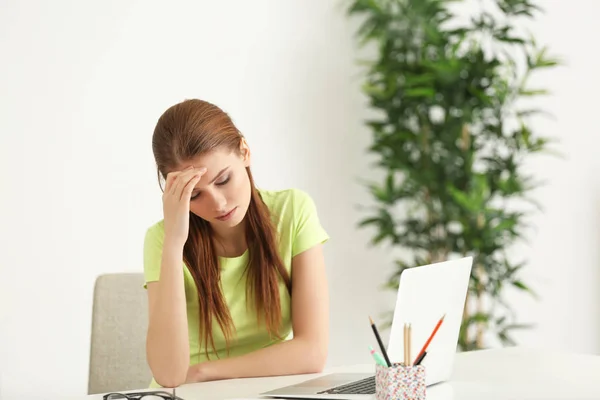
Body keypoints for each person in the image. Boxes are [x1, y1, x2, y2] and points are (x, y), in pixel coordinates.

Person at [143, 98, 330, 388]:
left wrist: (205, 372)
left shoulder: (293, 211)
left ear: (244, 152)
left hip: (260, 388)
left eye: (223, 180)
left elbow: (312, 352)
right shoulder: (162, 240)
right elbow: (168, 376)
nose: (217, 204)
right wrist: (174, 242)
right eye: (194, 195)